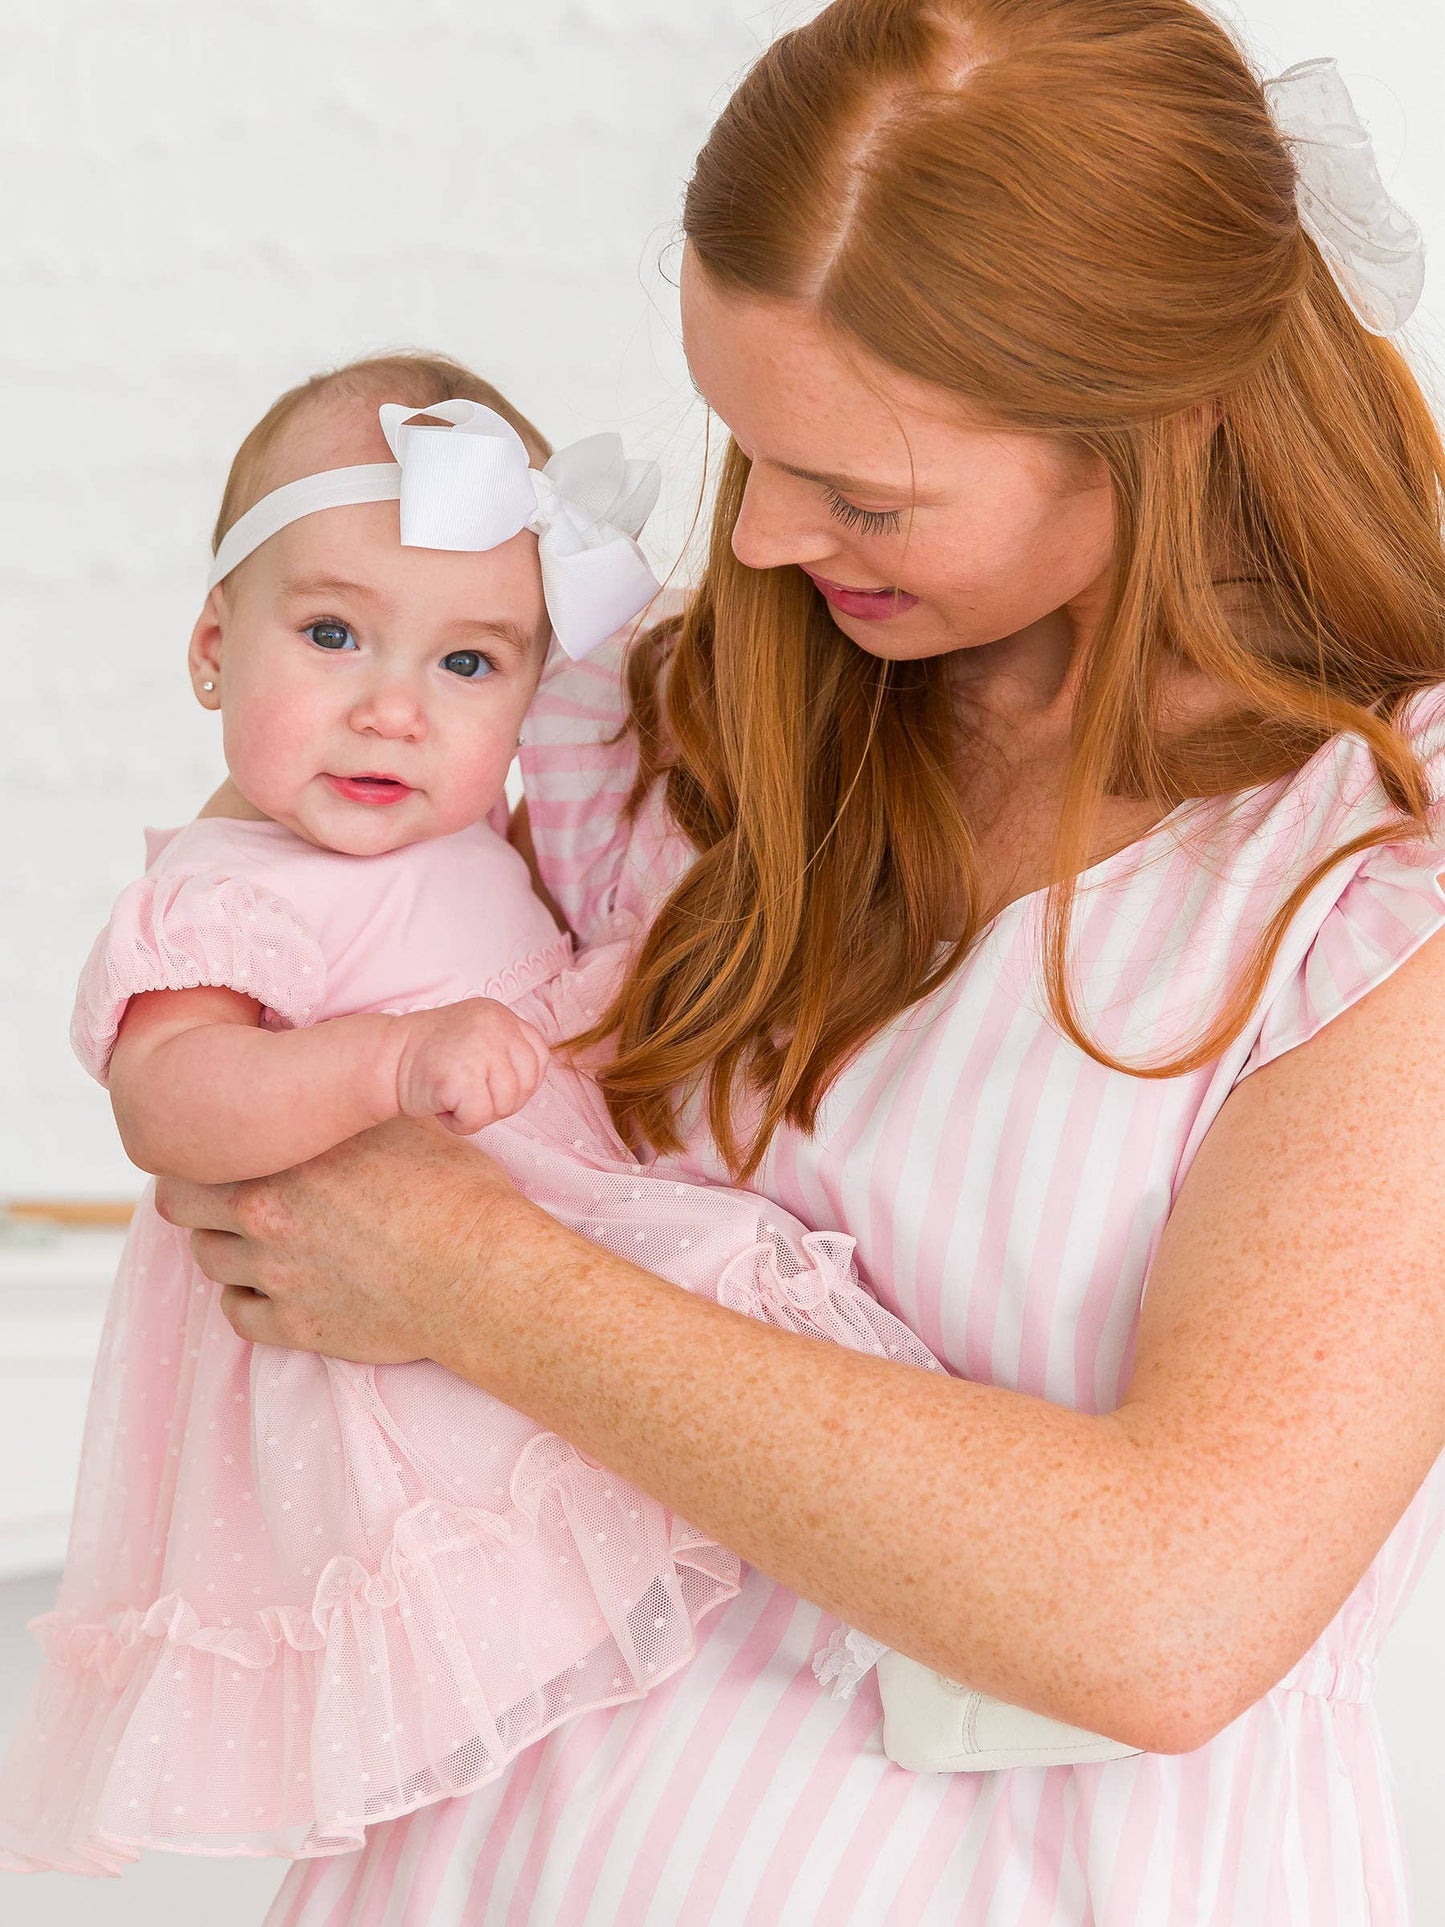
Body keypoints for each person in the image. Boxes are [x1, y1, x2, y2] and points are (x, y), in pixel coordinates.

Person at [172, 3, 1445, 1921]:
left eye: (864, 493)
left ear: (1156, 423)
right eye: (747, 448)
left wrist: (469, 1275)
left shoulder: (1366, 876)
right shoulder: (663, 736)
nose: (759, 538)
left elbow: (1165, 1612)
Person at [0, 352, 950, 1876]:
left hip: (523, 1287)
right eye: (330, 635)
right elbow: (173, 1100)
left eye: (467, 666)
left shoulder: (487, 834)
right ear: (208, 650)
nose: (390, 710)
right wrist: (385, 1064)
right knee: (516, 1674)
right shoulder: (229, 890)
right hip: (392, 1362)